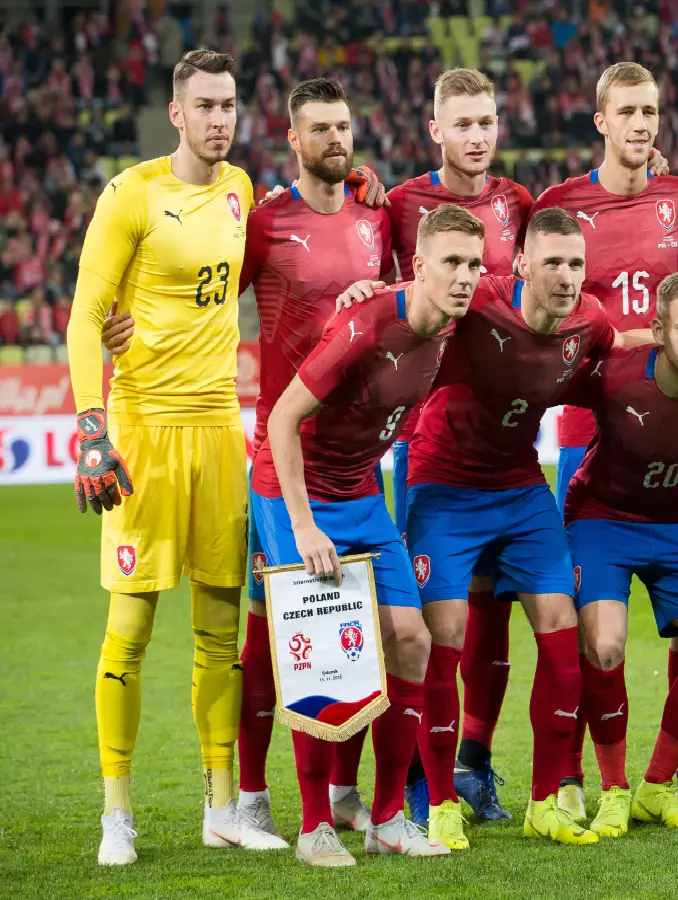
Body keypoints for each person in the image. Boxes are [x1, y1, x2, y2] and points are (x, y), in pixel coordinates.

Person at [97, 77, 393, 842]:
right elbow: (201, 282)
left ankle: (322, 796)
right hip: (277, 456)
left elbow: (391, 304)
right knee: (272, 631)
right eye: (319, 128)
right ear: (292, 138)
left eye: (344, 126)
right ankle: (250, 796)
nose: (336, 139)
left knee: (332, 629)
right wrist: (122, 318)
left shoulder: (374, 215)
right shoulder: (260, 219)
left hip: (354, 461)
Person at [532, 60, 678, 820]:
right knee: (597, 634)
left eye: (651, 110)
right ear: (601, 121)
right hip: (590, 439)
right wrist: (620, 338)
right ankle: (594, 780)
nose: (642, 124)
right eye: (627, 111)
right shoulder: (559, 205)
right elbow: (542, 311)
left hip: (671, 451)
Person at [254, 204, 487, 865]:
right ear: (420, 266)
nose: (466, 276)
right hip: (291, 487)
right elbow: (282, 420)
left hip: (360, 491)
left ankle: (387, 819)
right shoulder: (368, 322)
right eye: (451, 262)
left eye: (474, 264)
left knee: (411, 638)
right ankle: (313, 829)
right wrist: (300, 526)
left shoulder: (453, 321)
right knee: (320, 653)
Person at [66, 50, 255, 866]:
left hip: (219, 429)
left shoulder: (243, 188)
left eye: (230, 105)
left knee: (220, 628)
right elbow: (84, 317)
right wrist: (90, 423)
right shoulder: (130, 196)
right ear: (177, 112)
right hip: (142, 431)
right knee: (130, 628)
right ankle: (117, 814)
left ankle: (222, 806)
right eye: (206, 105)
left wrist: (351, 187)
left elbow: (289, 233)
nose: (221, 118)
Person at [401, 206, 637, 850]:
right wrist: (370, 289)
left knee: (563, 626)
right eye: (553, 263)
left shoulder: (590, 321)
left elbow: (628, 350)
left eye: (577, 265)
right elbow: (412, 301)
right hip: (443, 483)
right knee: (445, 633)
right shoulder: (475, 301)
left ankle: (544, 803)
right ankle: (443, 801)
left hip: (517, 484)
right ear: (522, 265)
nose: (566, 277)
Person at [384, 67, 535, 824]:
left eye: (488, 122)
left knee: (493, 615)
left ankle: (472, 762)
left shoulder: (518, 204)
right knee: (432, 621)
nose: (477, 136)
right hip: (428, 442)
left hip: (507, 441)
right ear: (436, 129)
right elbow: (370, 278)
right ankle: (419, 770)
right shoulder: (401, 204)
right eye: (463, 123)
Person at [561, 271, 678, 839]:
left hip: (674, 520)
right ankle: (611, 789)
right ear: (658, 332)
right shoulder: (615, 376)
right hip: (600, 519)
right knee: (605, 641)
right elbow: (544, 382)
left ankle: (655, 786)